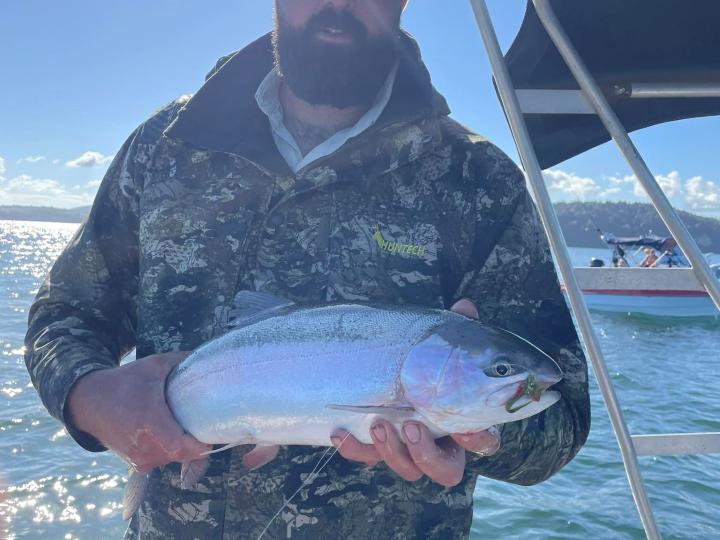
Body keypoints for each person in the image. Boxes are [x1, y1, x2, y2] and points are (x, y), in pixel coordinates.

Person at [24, 1, 590, 538]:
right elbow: (66, 313)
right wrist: (87, 395)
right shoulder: (164, 147)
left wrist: (481, 436)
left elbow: (560, 414)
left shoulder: (479, 182)